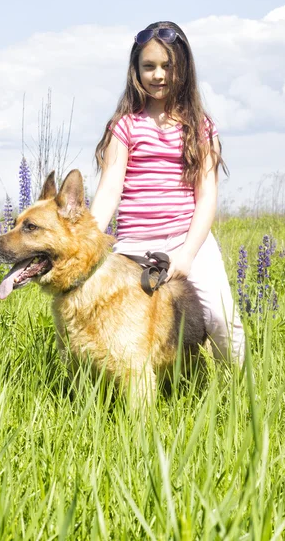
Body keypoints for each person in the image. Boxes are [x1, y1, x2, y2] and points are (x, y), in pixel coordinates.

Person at [90, 21, 245, 366]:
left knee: (221, 320)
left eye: (167, 66)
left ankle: (235, 394)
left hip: (188, 241)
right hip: (134, 247)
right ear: (136, 70)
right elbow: (110, 189)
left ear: (183, 69)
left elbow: (206, 197)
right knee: (123, 326)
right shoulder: (125, 126)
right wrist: (86, 237)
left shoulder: (200, 126)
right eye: (149, 66)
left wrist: (188, 254)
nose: (158, 75)